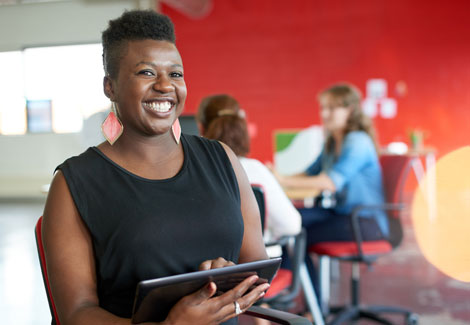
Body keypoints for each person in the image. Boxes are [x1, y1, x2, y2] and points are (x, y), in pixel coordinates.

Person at [41, 10, 269, 325]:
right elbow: (77, 314)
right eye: (147, 73)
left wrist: (227, 279)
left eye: (175, 74)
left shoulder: (222, 159)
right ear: (111, 86)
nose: (165, 86)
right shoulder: (74, 183)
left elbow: (256, 264)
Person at [274, 83, 386, 291]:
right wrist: (276, 177)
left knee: (295, 236)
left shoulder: (357, 141)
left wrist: (282, 180)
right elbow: (309, 173)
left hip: (364, 222)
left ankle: (310, 308)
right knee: (286, 222)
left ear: (350, 110)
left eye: (332, 108)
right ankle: (296, 299)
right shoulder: (332, 142)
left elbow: (330, 182)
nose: (324, 114)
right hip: (342, 214)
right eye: (323, 108)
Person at [196, 94, 302, 246]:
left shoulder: (193, 172)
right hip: (259, 264)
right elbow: (291, 226)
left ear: (201, 127)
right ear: (241, 126)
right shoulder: (255, 170)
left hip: (210, 267)